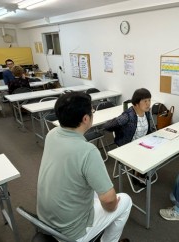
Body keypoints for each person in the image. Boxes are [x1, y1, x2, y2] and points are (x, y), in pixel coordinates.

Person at [37, 92, 132, 242]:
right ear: (86, 118)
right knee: (125, 201)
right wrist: (112, 206)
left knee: (92, 185)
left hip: (45, 220)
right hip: (70, 233)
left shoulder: (52, 134)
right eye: (92, 111)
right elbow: (109, 200)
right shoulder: (88, 151)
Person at [103, 88, 155, 185]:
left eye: (149, 100)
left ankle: (141, 172)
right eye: (145, 101)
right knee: (145, 155)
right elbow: (107, 126)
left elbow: (148, 129)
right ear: (136, 103)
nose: (148, 104)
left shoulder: (146, 112)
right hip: (128, 145)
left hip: (141, 143)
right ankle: (137, 174)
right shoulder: (128, 116)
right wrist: (119, 128)